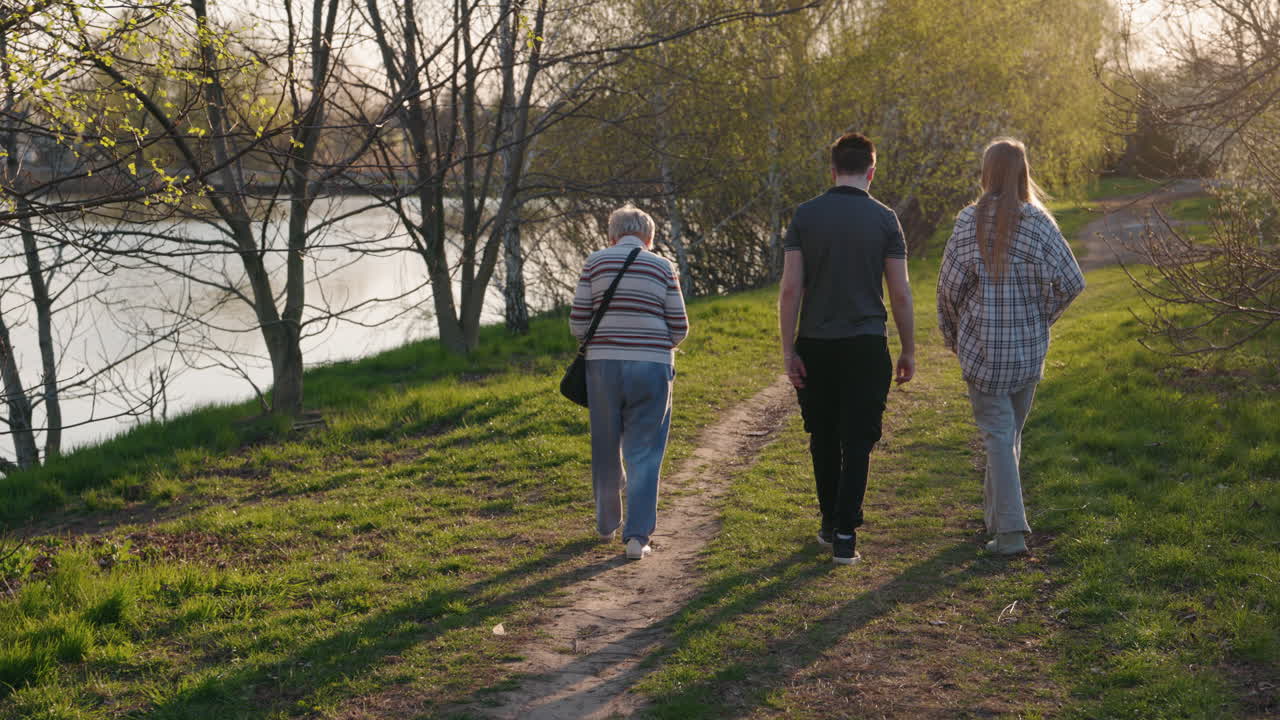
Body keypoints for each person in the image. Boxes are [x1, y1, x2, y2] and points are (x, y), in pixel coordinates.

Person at [937, 138, 1085, 555]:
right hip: (1027, 350)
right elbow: (1073, 283)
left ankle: (1010, 534)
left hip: (983, 351)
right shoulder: (1040, 222)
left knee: (1000, 436)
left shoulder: (968, 222)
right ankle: (995, 520)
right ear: (1023, 172)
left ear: (987, 172)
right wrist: (1042, 317)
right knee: (1007, 436)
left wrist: (953, 336)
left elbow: (949, 289)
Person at [779, 131, 916, 566]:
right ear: (871, 172)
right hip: (865, 345)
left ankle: (826, 520)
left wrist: (788, 351)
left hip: (816, 344)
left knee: (823, 436)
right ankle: (844, 535)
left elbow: (790, 290)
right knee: (858, 440)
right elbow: (900, 293)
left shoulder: (805, 215)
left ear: (833, 170)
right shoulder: (885, 219)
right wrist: (908, 349)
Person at [570, 204, 689, 561]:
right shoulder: (663, 266)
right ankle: (636, 538)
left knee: (605, 445)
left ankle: (606, 525)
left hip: (602, 367)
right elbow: (680, 327)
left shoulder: (595, 262)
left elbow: (578, 323)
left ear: (612, 236)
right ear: (650, 238)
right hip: (652, 367)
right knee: (645, 452)